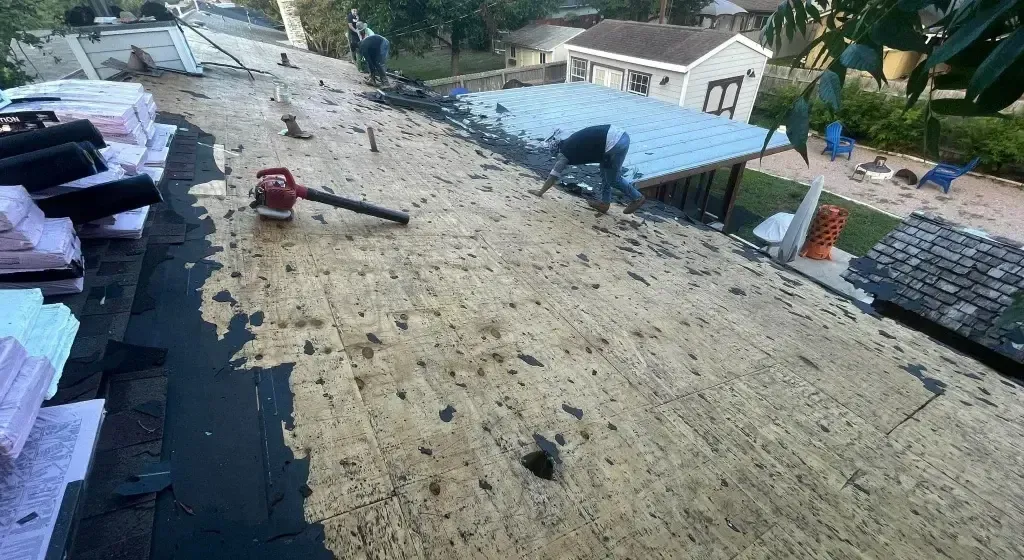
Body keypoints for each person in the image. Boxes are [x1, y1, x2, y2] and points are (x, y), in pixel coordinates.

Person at [529, 125, 646, 214]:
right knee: (604, 170)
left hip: (614, 142)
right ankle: (604, 203)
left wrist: (540, 192)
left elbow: (553, 176)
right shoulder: (569, 143)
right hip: (620, 136)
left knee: (612, 178)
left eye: (555, 156)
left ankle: (637, 197)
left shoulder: (564, 155)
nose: (557, 159)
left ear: (557, 152)